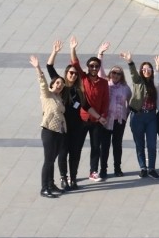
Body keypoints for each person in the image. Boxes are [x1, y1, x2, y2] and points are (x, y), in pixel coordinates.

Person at [47, 40, 86, 190]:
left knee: (75, 153)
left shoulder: (79, 90)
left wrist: (99, 117)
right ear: (66, 74)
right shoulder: (61, 86)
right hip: (63, 126)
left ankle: (73, 179)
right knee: (63, 153)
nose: (73, 75)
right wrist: (55, 52)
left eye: (75, 74)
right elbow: (49, 67)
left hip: (77, 127)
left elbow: (86, 106)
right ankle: (64, 178)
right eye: (71, 73)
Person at [71, 37, 111, 183]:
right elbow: (75, 63)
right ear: (88, 67)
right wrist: (73, 48)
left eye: (96, 66)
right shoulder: (83, 78)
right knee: (77, 147)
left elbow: (106, 101)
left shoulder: (103, 83)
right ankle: (73, 174)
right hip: (82, 119)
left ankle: (93, 171)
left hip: (97, 120)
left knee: (96, 147)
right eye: (92, 66)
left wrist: (103, 116)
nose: (94, 68)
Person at [120, 51, 159, 179]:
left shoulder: (155, 83)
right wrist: (129, 61)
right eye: (144, 69)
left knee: (152, 144)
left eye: (149, 69)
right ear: (141, 71)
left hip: (151, 117)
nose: (146, 71)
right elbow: (133, 73)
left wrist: (158, 67)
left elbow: (158, 80)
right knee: (139, 144)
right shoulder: (138, 81)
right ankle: (143, 168)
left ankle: (152, 168)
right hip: (138, 116)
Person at [30, 55, 66, 198]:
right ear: (52, 84)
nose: (60, 85)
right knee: (48, 160)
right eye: (57, 83)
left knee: (52, 160)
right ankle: (44, 188)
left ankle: (51, 184)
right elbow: (43, 83)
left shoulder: (59, 98)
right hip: (49, 131)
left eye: (62, 84)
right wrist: (38, 68)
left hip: (59, 132)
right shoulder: (47, 95)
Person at [102, 64, 132, 178]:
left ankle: (117, 168)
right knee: (105, 145)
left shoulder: (125, 88)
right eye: (113, 73)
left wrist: (126, 114)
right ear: (110, 74)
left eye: (118, 74)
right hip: (106, 120)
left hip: (119, 120)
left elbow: (129, 101)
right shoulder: (106, 84)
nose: (115, 75)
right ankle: (103, 169)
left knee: (117, 144)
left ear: (121, 76)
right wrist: (100, 56)